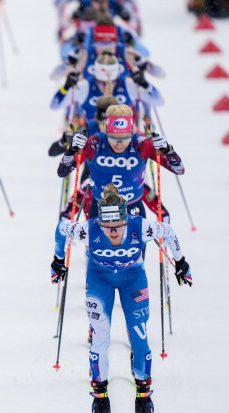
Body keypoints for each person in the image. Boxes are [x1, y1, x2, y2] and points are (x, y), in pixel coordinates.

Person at [50, 183, 192, 413]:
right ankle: (100, 396)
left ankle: (143, 395)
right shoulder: (89, 228)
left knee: (139, 337)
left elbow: (168, 231)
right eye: (108, 226)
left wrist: (181, 262)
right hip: (100, 281)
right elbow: (62, 227)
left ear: (126, 220)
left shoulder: (140, 226)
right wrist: (57, 260)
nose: (114, 231)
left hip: (132, 279)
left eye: (118, 226)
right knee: (100, 339)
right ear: (100, 222)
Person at [58, 104, 184, 218]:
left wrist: (168, 150)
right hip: (100, 209)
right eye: (113, 138)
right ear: (106, 131)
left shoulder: (141, 144)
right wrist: (72, 150)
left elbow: (179, 169)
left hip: (132, 208)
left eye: (125, 139)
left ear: (131, 132)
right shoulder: (94, 144)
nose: (119, 144)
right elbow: (63, 171)